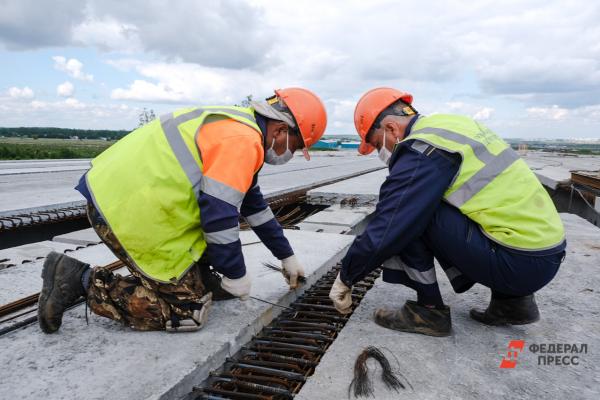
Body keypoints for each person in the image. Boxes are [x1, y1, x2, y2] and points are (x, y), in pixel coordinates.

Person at [38, 88, 327, 333]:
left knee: (205, 279)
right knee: (187, 313)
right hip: (128, 212)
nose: (290, 154)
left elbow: (254, 207)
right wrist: (235, 272)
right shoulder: (243, 142)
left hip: (124, 196)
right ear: (279, 129)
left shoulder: (237, 127)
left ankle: (200, 278)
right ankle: (80, 279)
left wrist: (286, 255)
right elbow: (219, 215)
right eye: (295, 145)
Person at [329, 87, 566, 336]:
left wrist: (347, 275)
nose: (381, 153)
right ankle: (513, 305)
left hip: (518, 263)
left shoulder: (422, 149)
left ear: (391, 129)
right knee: (437, 204)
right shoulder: (450, 126)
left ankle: (428, 311)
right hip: (545, 254)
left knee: (412, 213)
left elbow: (391, 221)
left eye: (378, 145)